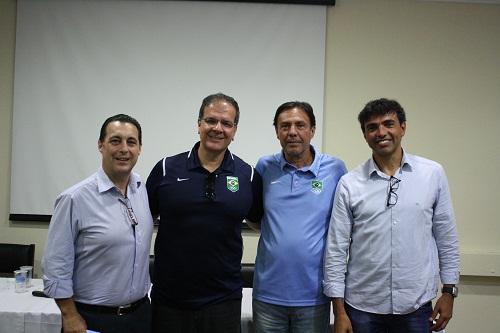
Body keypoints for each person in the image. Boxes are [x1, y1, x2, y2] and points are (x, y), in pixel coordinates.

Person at [324, 98, 460, 333]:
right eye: (372, 127)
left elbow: (446, 237)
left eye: (389, 123)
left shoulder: (432, 174)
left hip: (416, 307)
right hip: (362, 308)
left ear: (403, 128)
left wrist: (449, 292)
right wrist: (340, 311)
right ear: (365, 135)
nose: (381, 132)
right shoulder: (349, 184)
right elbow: (336, 249)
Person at [146, 93, 263, 333]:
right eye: (211, 120)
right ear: (199, 124)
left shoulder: (248, 175)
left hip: (223, 300)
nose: (217, 128)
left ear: (235, 130)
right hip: (169, 299)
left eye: (226, 123)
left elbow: (259, 222)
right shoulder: (166, 168)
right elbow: (142, 221)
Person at [42, 114, 153, 333]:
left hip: (140, 316)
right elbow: (56, 267)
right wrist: (70, 316)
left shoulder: (141, 190)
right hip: (92, 319)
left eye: (131, 142)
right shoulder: (74, 198)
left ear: (139, 148)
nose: (124, 149)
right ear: (100, 145)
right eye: (115, 140)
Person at [247, 101, 347, 333]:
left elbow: (344, 224)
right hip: (268, 296)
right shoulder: (264, 167)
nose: (292, 132)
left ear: (312, 130)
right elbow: (255, 217)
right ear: (277, 132)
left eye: (300, 125)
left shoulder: (335, 169)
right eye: (285, 126)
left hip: (313, 296)